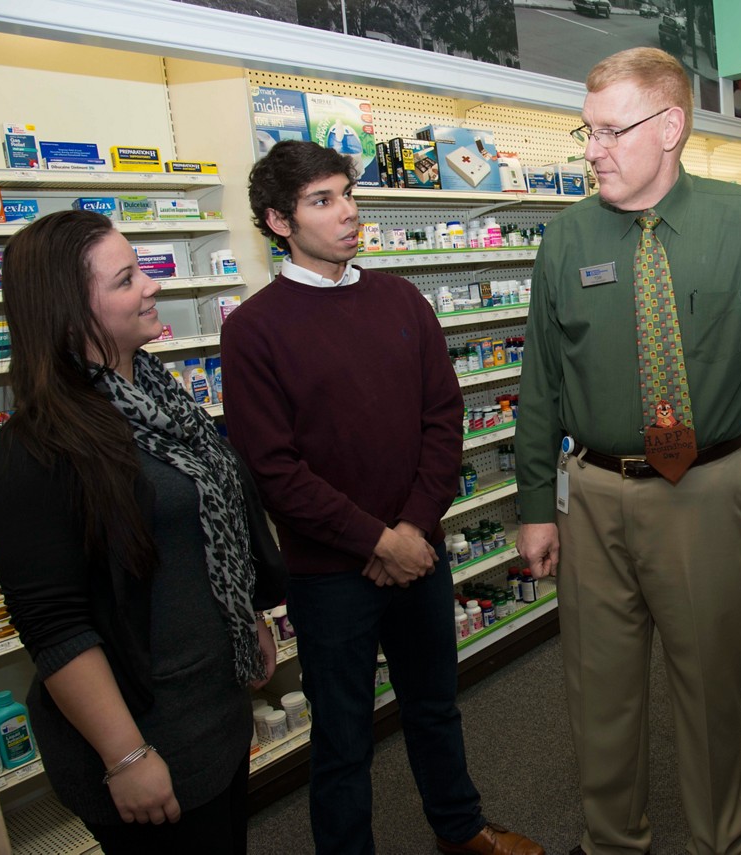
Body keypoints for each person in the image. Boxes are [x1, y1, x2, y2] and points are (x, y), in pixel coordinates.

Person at [515, 47, 741, 855]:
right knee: (598, 697)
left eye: (610, 131)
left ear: (670, 126)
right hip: (594, 494)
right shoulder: (564, 243)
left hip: (705, 491)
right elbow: (539, 384)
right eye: (586, 131)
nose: (591, 149)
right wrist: (536, 507)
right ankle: (612, 843)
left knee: (710, 692)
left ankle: (723, 843)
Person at [221, 140, 543, 855]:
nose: (349, 213)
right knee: (341, 738)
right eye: (323, 201)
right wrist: (377, 540)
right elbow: (274, 469)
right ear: (279, 221)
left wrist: (413, 528)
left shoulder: (400, 298)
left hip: (416, 549)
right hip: (332, 573)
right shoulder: (252, 330)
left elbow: (443, 417)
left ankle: (460, 831)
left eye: (347, 194)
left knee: (434, 707)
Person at [0, 209, 287, 853]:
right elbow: (54, 625)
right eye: (126, 279)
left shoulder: (162, 399)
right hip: (146, 737)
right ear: (69, 316)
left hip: (213, 710)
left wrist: (247, 618)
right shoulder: (33, 450)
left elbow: (204, 533)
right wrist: (126, 757)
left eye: (141, 269)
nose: (151, 285)